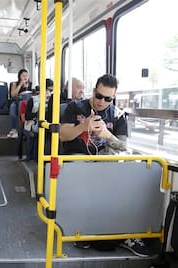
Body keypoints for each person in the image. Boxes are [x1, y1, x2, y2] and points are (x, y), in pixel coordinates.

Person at [60, 74, 150, 257]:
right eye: (99, 96)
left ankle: (124, 231)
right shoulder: (75, 107)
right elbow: (62, 135)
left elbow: (123, 145)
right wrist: (83, 126)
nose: (102, 102)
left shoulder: (117, 115)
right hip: (78, 158)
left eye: (108, 98)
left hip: (104, 161)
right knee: (83, 170)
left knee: (123, 172)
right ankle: (82, 228)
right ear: (94, 91)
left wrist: (107, 135)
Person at [7, 69, 32, 138]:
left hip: (28, 102)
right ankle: (14, 129)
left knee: (23, 104)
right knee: (12, 107)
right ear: (19, 77)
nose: (25, 77)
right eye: (23, 76)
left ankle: (25, 128)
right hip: (17, 101)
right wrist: (20, 85)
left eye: (26, 76)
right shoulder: (15, 84)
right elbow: (13, 95)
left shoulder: (31, 84)